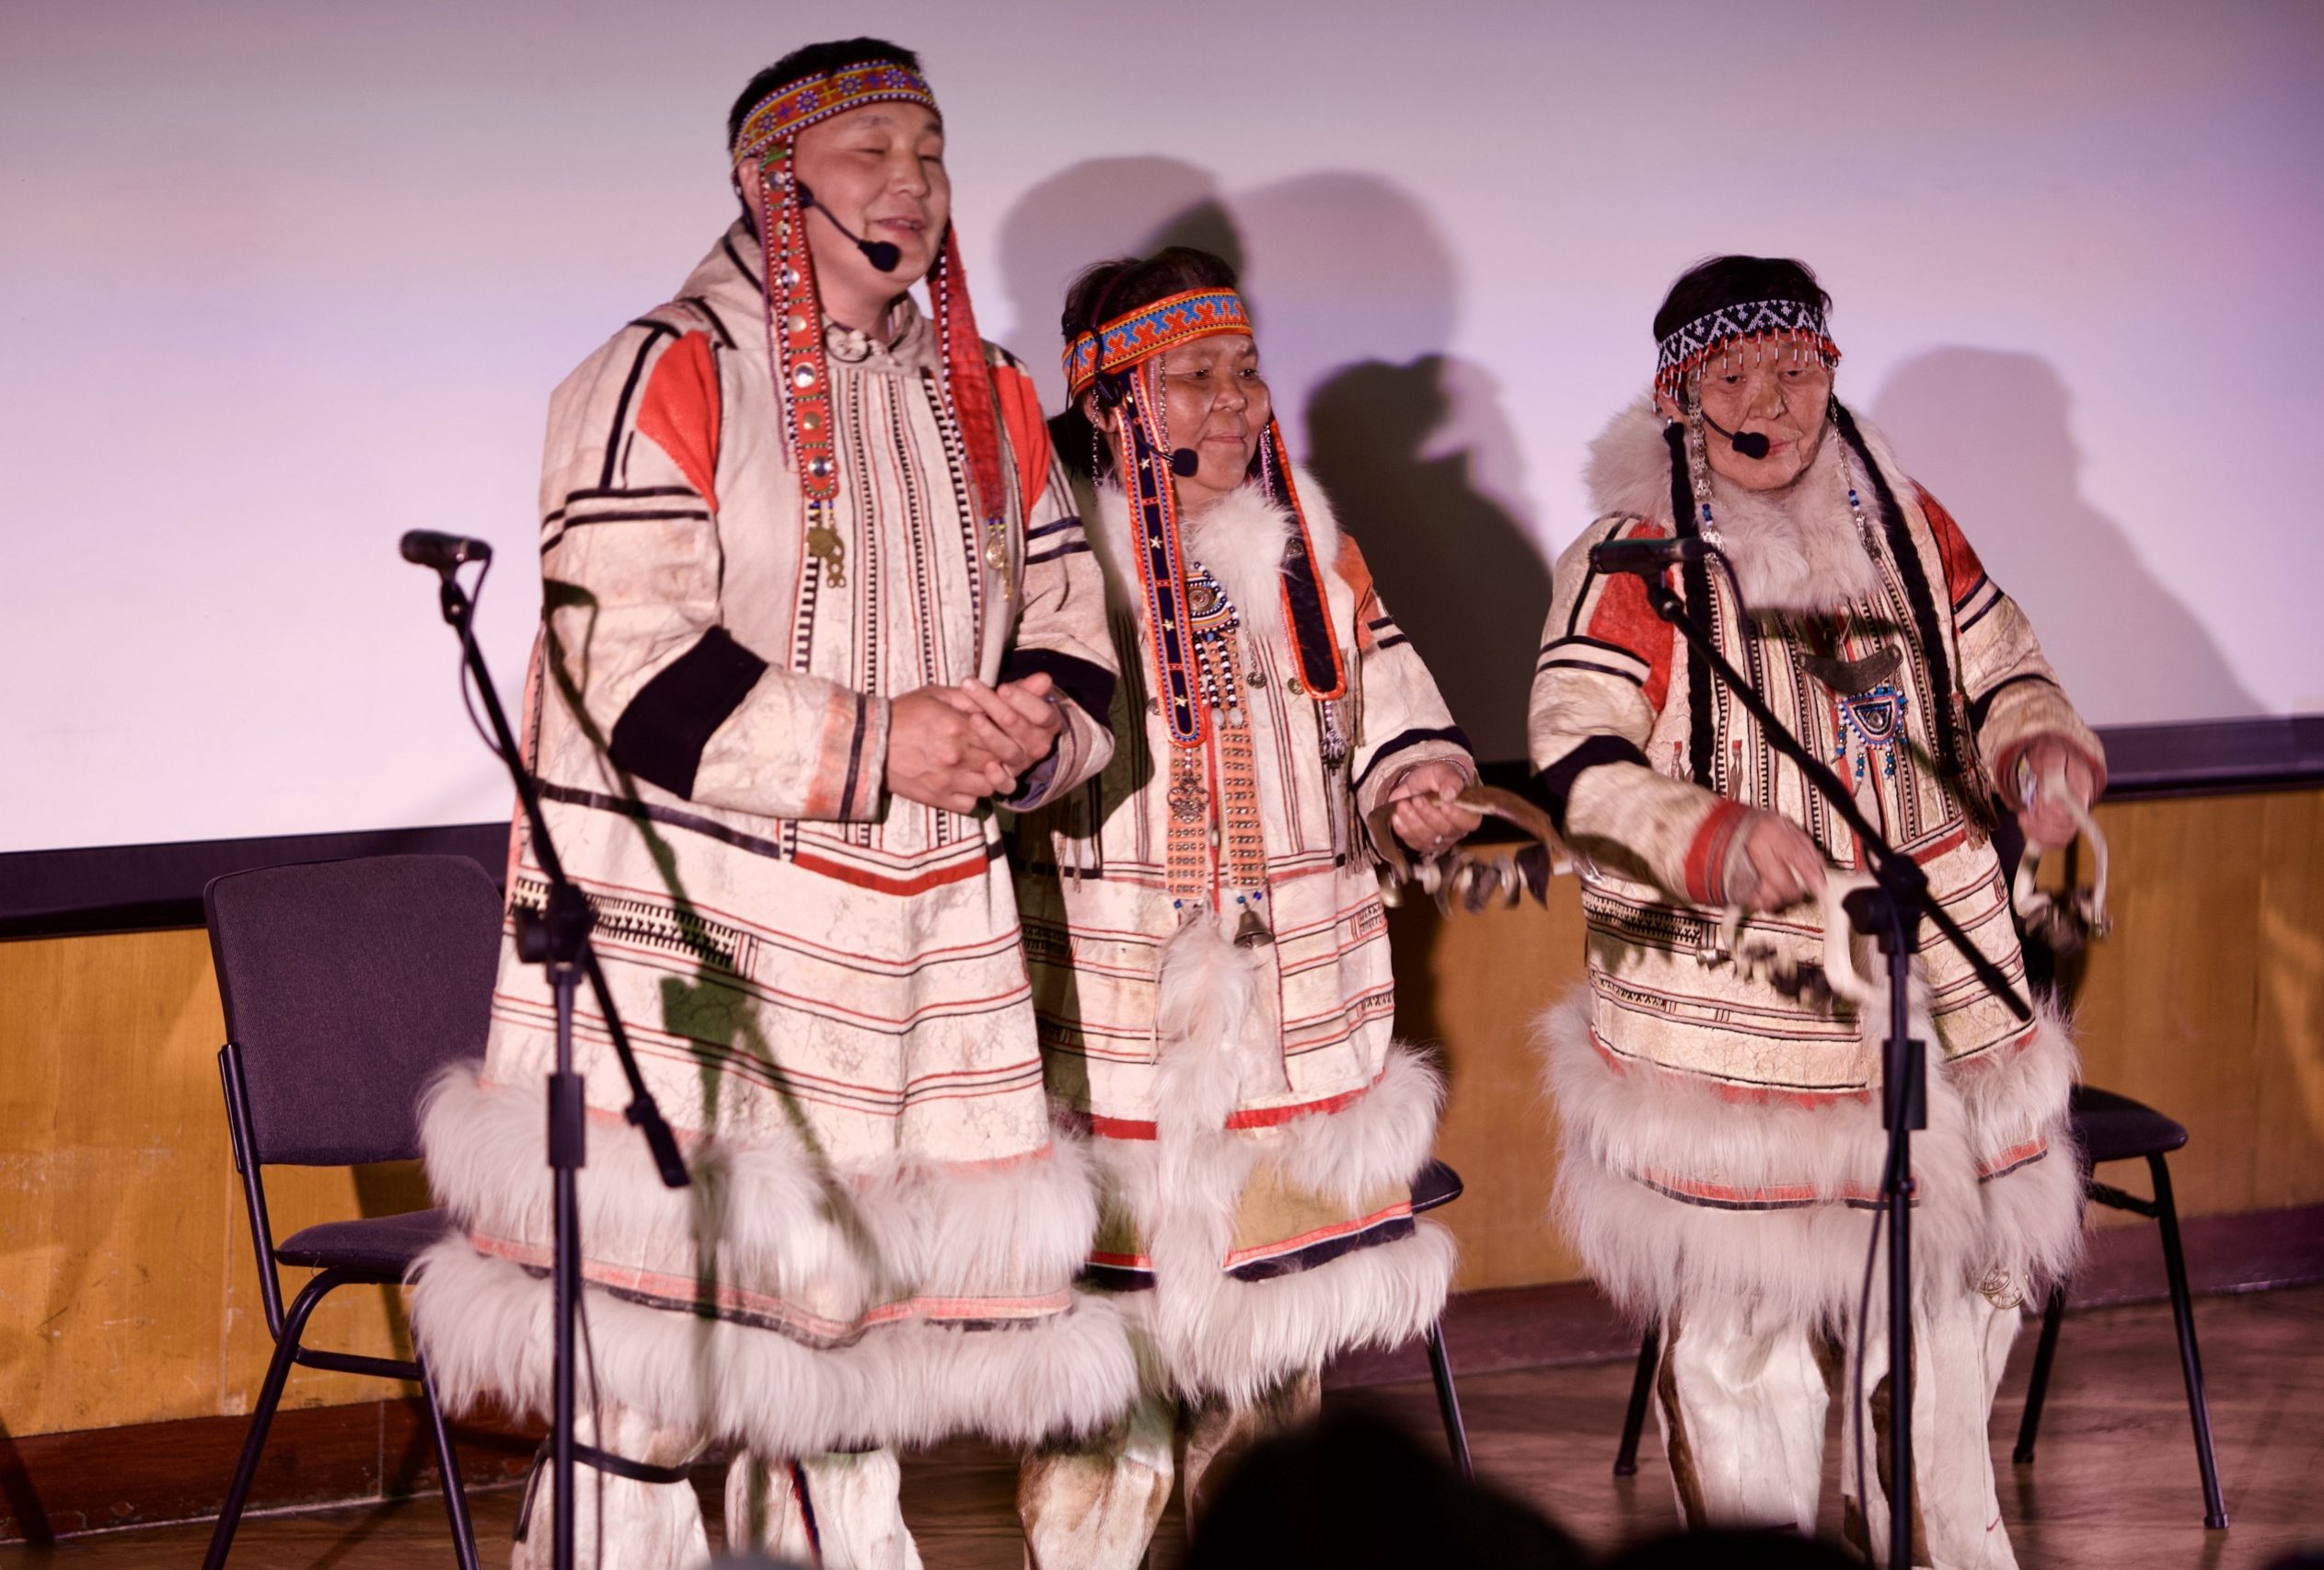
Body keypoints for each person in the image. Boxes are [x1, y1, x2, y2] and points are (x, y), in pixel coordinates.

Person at [406, 39, 1134, 1569]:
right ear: (769, 180)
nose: (914, 184)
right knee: (653, 1383)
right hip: (701, 954)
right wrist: (881, 743)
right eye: (872, 151)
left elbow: (1070, 618)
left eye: (931, 151)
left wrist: (1026, 730)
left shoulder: (993, 398)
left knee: (850, 1372)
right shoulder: (661, 371)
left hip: (906, 953)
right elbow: (621, 659)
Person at [1532, 256, 2102, 1568]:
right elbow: (1578, 748)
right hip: (1737, 1005)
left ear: (1829, 371)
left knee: (1949, 1303)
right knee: (1743, 1328)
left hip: (1934, 979)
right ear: (1681, 396)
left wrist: (2037, 750)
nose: (1771, 401)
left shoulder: (1905, 521)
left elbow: (1999, 661)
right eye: (1735, 374)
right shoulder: (1633, 560)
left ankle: (1947, 1542)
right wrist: (1709, 833)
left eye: (1795, 368)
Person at [1009, 247, 1479, 1566]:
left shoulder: (1308, 543)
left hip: (1291, 1022)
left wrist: (1421, 787)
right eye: (1192, 377)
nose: (1234, 402)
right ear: (1110, 400)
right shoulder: (1042, 560)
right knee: (1107, 1395)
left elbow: (1393, 710)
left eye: (1246, 371)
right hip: (1115, 1024)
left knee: (1274, 1384)